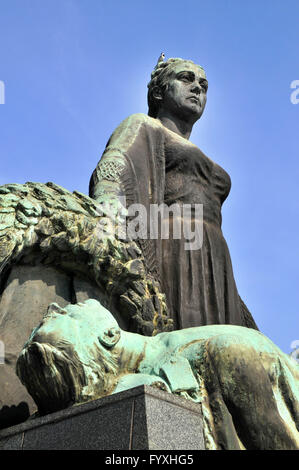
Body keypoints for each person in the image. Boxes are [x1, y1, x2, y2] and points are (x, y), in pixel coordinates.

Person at [89, 56, 258, 330]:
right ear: (159, 91)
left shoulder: (205, 156)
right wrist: (108, 216)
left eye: (203, 85)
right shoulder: (144, 125)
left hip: (215, 257)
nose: (197, 88)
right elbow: (115, 165)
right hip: (175, 245)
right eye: (186, 78)